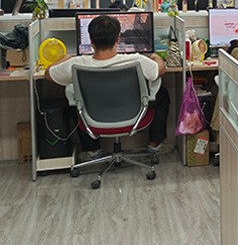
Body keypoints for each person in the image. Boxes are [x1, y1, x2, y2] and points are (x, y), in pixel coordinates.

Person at [45, 15, 173, 160]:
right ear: (118, 38)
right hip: (132, 115)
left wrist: (66, 58)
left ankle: (93, 150)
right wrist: (156, 57)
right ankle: (155, 145)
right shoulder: (137, 60)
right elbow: (160, 70)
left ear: (90, 39)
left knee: (74, 102)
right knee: (161, 94)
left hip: (94, 117)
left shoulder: (75, 64)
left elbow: (48, 74)